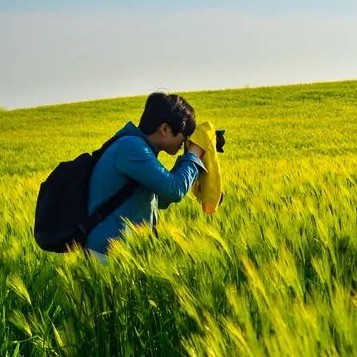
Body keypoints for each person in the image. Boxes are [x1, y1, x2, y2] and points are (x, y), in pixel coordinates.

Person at [85, 92, 206, 257]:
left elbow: (161, 199)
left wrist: (188, 161)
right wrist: (194, 153)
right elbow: (174, 190)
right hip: (107, 251)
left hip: (117, 249)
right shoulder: (132, 148)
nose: (183, 144)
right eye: (184, 137)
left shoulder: (137, 147)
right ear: (164, 129)